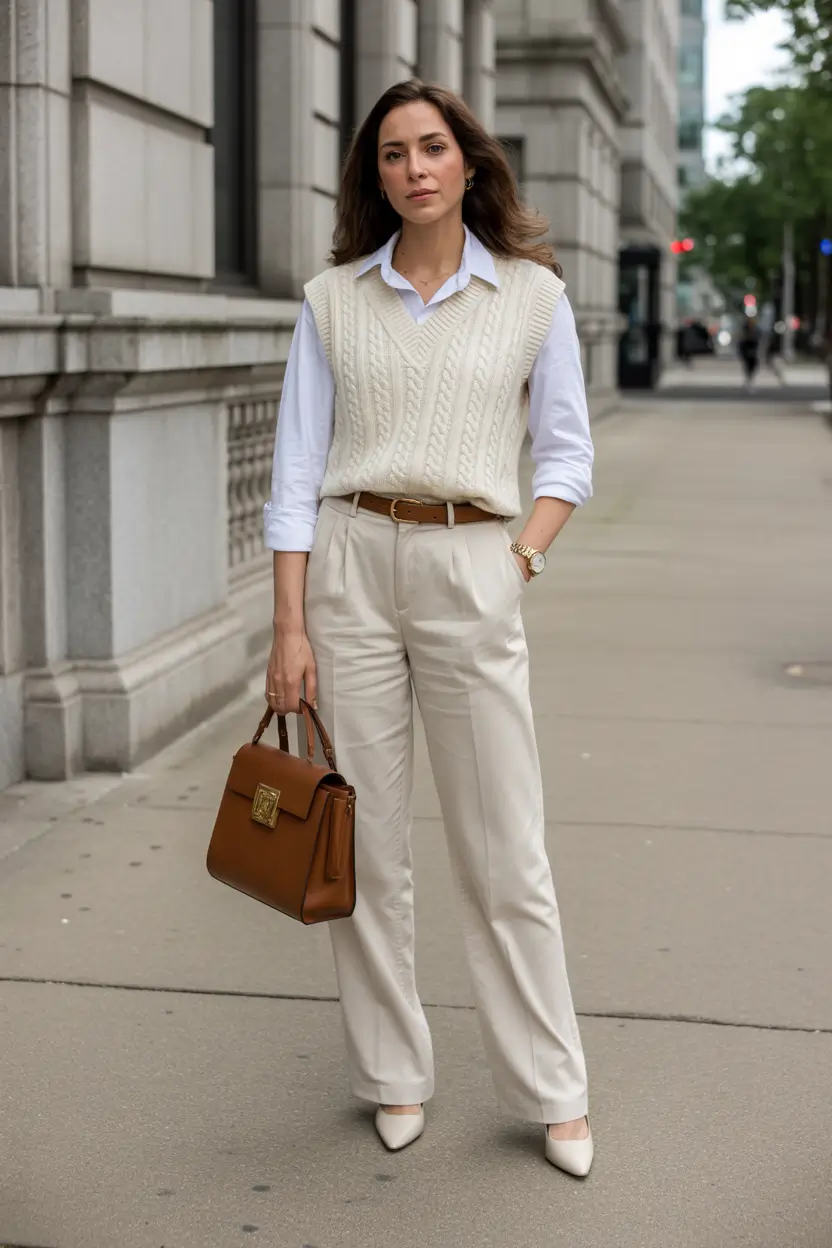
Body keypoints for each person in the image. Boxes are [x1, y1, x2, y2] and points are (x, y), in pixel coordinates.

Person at [263, 79, 595, 1178]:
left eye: (433, 147)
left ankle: (552, 1090)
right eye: (393, 153)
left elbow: (566, 456)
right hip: (350, 562)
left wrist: (518, 560)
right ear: (375, 175)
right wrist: (288, 628)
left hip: (471, 561)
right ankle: (392, 1073)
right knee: (362, 843)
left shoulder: (533, 298)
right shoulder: (332, 301)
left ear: (469, 162)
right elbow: (295, 472)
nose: (414, 168)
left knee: (505, 847)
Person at [738, 318, 761, 390]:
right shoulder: (745, 330)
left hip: (752, 349)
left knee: (753, 364)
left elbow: (757, 338)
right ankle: (748, 377)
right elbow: (741, 342)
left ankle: (750, 377)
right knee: (748, 364)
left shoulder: (756, 330)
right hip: (746, 349)